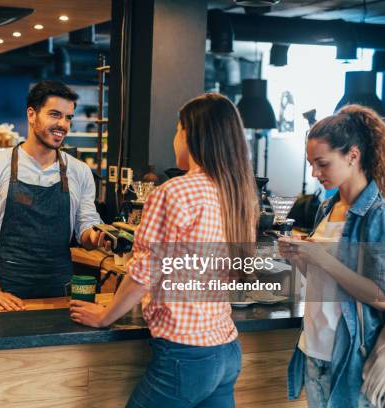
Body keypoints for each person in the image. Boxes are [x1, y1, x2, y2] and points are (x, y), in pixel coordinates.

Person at [70, 93, 259, 407]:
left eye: (176, 130)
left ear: (189, 135)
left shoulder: (174, 191)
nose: (175, 139)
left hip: (184, 355)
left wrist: (105, 317)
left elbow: (145, 272)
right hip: (226, 349)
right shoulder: (239, 194)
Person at [280, 104, 385, 407]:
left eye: (322, 163)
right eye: (311, 164)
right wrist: (300, 261)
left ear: (352, 155)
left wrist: (321, 258)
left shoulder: (379, 215)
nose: (314, 173)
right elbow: (326, 281)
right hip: (314, 348)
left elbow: (382, 296)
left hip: (351, 359)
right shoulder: (326, 208)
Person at [0, 80, 106, 311]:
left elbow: (85, 227)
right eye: (55, 114)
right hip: (7, 291)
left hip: (60, 290)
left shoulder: (79, 171)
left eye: (68, 117)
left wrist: (100, 237)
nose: (63, 124)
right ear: (32, 115)